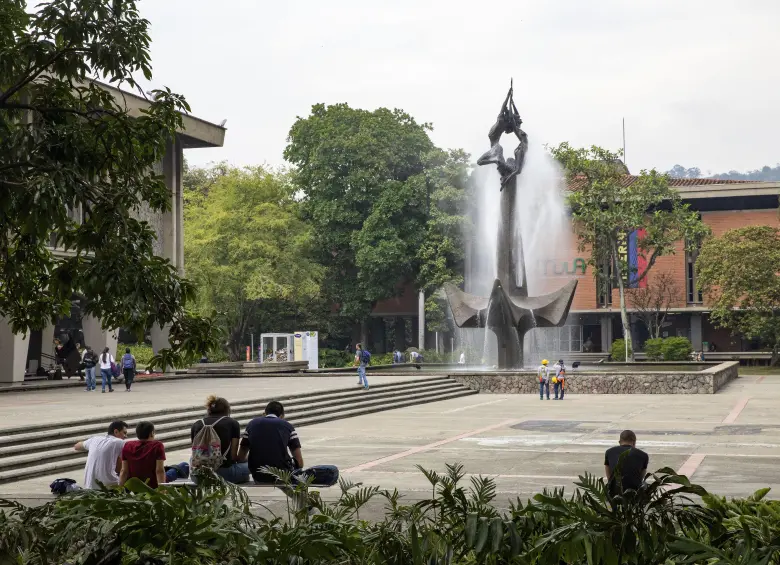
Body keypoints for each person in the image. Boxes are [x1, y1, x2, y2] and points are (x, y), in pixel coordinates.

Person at [238, 401, 338, 489]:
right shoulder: (286, 426)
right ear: (282, 415)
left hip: (258, 476)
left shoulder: (252, 424)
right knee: (332, 470)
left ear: (265, 413)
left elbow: (241, 457)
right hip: (282, 476)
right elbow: (300, 462)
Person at [190, 395, 249, 484]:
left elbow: (195, 451)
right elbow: (233, 456)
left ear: (209, 409)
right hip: (223, 475)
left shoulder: (196, 424)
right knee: (251, 466)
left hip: (198, 476)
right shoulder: (232, 423)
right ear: (227, 409)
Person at [74, 420, 128, 489]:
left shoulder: (95, 439)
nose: (126, 436)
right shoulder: (120, 442)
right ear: (116, 432)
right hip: (108, 488)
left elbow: (76, 446)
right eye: (124, 433)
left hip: (89, 486)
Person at [120, 421, 166, 488]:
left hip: (135, 486)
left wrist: (120, 489)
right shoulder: (157, 446)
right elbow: (159, 471)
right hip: (152, 486)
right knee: (180, 467)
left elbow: (124, 471)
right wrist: (162, 490)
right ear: (152, 433)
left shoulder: (128, 445)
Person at [604, 430, 649, 495]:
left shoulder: (609, 452)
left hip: (614, 491)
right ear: (634, 442)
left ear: (619, 442)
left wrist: (611, 484)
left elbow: (608, 473)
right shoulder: (643, 455)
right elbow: (641, 476)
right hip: (633, 492)